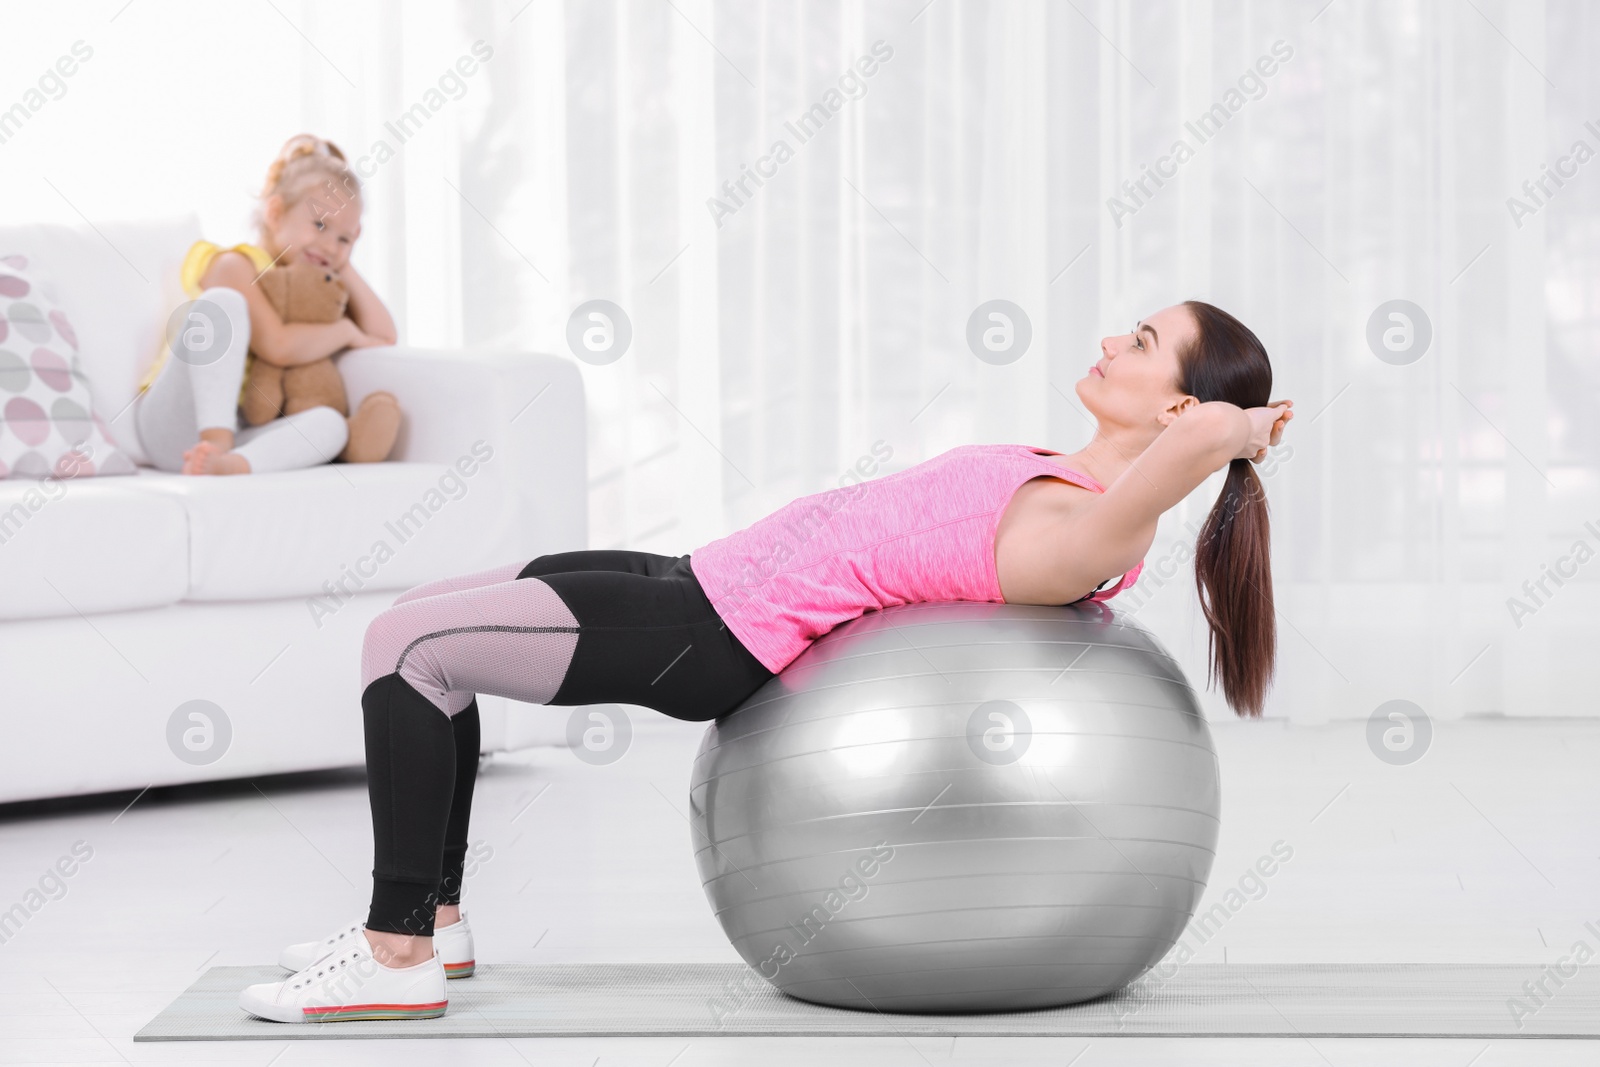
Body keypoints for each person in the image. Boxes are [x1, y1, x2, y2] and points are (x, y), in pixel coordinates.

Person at [237, 299, 1293, 1023]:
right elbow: (1176, 449)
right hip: (699, 576)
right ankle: (441, 922)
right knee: (426, 619)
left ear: (1176, 407)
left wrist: (1237, 424)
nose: (1112, 336)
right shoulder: (1064, 476)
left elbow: (1188, 456)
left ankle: (394, 953)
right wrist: (1214, 423)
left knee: (404, 649)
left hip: (713, 633)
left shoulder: (1097, 528)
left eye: (1144, 338)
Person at [131, 134, 398, 476]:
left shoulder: (313, 291)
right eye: (320, 225)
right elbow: (278, 346)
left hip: (240, 429)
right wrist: (346, 331)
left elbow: (384, 336)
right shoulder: (235, 265)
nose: (330, 246)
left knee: (331, 425)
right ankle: (216, 443)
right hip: (175, 423)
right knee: (224, 303)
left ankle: (232, 465)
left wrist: (342, 262)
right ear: (275, 212)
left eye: (344, 238)